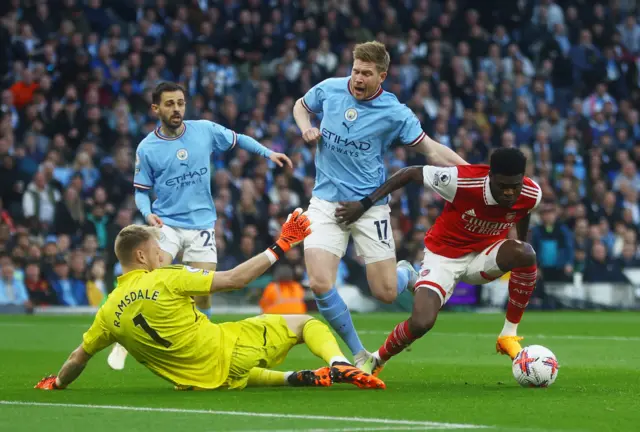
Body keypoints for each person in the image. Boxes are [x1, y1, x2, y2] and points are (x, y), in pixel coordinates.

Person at [35, 209, 385, 391]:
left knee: (232, 375)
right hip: (229, 349)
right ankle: (339, 362)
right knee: (305, 323)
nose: (164, 257)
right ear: (142, 257)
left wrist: (58, 383)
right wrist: (282, 244)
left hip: (194, 382)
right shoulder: (169, 278)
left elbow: (77, 358)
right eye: (158, 252)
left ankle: (296, 377)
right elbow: (236, 279)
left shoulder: (107, 311)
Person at [292, 40, 466, 368]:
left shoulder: (395, 113)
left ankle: (405, 273)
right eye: (355, 70)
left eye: (366, 74)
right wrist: (306, 129)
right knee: (319, 282)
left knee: (385, 293)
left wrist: (471, 173)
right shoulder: (330, 89)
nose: (357, 78)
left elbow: (430, 150)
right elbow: (300, 106)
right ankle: (359, 355)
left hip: (370, 207)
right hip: (325, 203)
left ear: (381, 76)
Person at [107, 82, 292, 370]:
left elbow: (238, 138)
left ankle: (200, 338)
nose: (177, 109)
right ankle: (123, 340)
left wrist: (268, 154)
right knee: (150, 279)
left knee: (204, 292)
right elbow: (141, 191)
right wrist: (146, 214)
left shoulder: (204, 130)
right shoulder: (147, 148)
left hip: (202, 225)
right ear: (156, 108)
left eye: (180, 103)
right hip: (167, 223)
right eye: (169, 104)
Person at [336, 148, 542, 375]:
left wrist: (521, 249)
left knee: (526, 253)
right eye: (503, 186)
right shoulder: (461, 181)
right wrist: (364, 204)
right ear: (490, 176)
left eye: (515, 186)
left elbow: (524, 210)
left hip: (484, 255)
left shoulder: (531, 193)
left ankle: (508, 335)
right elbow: (410, 173)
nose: (510, 193)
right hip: (444, 256)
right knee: (422, 322)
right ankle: (377, 359)